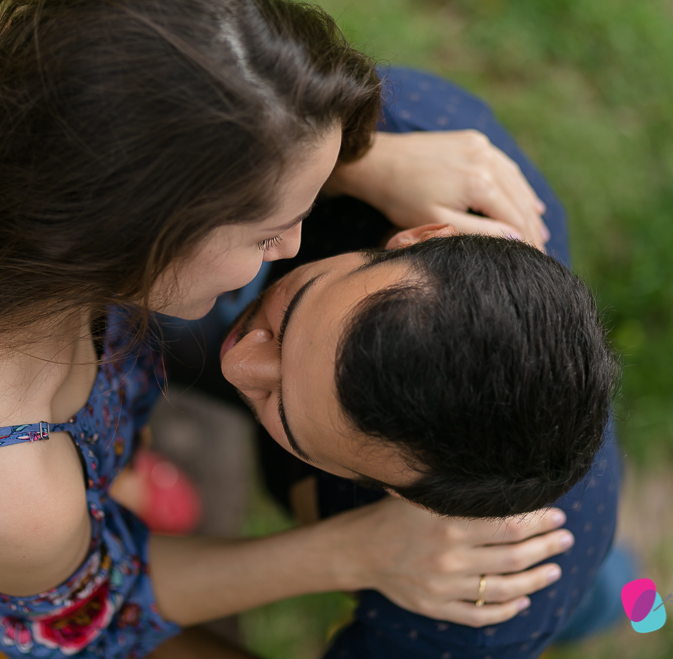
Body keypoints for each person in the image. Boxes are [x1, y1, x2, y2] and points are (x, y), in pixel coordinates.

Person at [0, 0, 573, 658]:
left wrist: (370, 161)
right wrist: (355, 551)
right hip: (4, 556)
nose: (290, 247)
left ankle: (115, 477)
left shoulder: (2, 110)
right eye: (264, 233)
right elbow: (91, 615)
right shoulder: (4, 485)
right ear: (126, 229)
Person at [160, 67, 630, 658]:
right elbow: (154, 70)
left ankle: (607, 596)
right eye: (291, 318)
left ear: (410, 499)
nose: (238, 364)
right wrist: (358, 158)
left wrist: (347, 552)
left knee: (589, 587)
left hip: (547, 568)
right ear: (417, 238)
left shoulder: (473, 621)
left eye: (286, 411)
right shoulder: (424, 131)